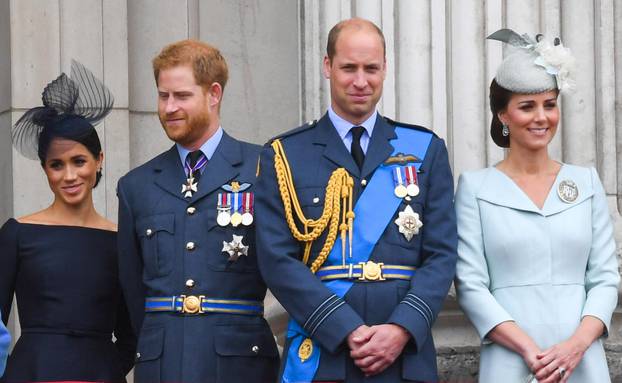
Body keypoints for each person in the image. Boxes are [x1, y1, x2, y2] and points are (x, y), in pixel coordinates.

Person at [255, 18, 457, 382]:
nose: (361, 81)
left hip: (404, 357)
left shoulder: (425, 150)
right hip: (324, 351)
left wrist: (402, 328)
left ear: (385, 69)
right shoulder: (285, 154)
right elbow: (276, 259)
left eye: (371, 68)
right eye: (349, 68)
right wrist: (343, 327)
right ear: (327, 66)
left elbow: (441, 254)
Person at [454, 29, 620, 383]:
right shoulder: (475, 188)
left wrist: (574, 346)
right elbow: (470, 284)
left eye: (549, 104)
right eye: (527, 107)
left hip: (582, 361)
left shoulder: (586, 182)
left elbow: (605, 278)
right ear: (503, 116)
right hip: (510, 359)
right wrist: (531, 352)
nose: (541, 117)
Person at [116, 39, 279, 383]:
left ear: (214, 94)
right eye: (163, 96)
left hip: (239, 363)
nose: (169, 107)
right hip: (163, 363)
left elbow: (286, 267)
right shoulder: (136, 186)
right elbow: (133, 290)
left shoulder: (264, 168)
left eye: (181, 96)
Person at [0, 61, 136, 382]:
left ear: (99, 160)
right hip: (30, 374)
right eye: (56, 165)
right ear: (45, 169)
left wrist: (106, 371)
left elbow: (131, 334)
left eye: (79, 161)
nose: (69, 175)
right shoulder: (17, 233)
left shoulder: (122, 241)